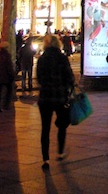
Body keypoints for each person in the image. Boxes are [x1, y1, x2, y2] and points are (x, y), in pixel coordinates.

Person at [36, 34, 75, 169]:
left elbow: (39, 78)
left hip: (45, 97)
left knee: (45, 128)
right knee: (62, 124)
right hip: (60, 96)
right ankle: (60, 151)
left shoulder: (42, 59)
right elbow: (70, 77)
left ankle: (45, 159)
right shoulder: (62, 58)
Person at [0, 41, 15, 112]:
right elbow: (9, 67)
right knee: (9, 89)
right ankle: (6, 105)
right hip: (4, 77)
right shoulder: (7, 56)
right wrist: (12, 75)